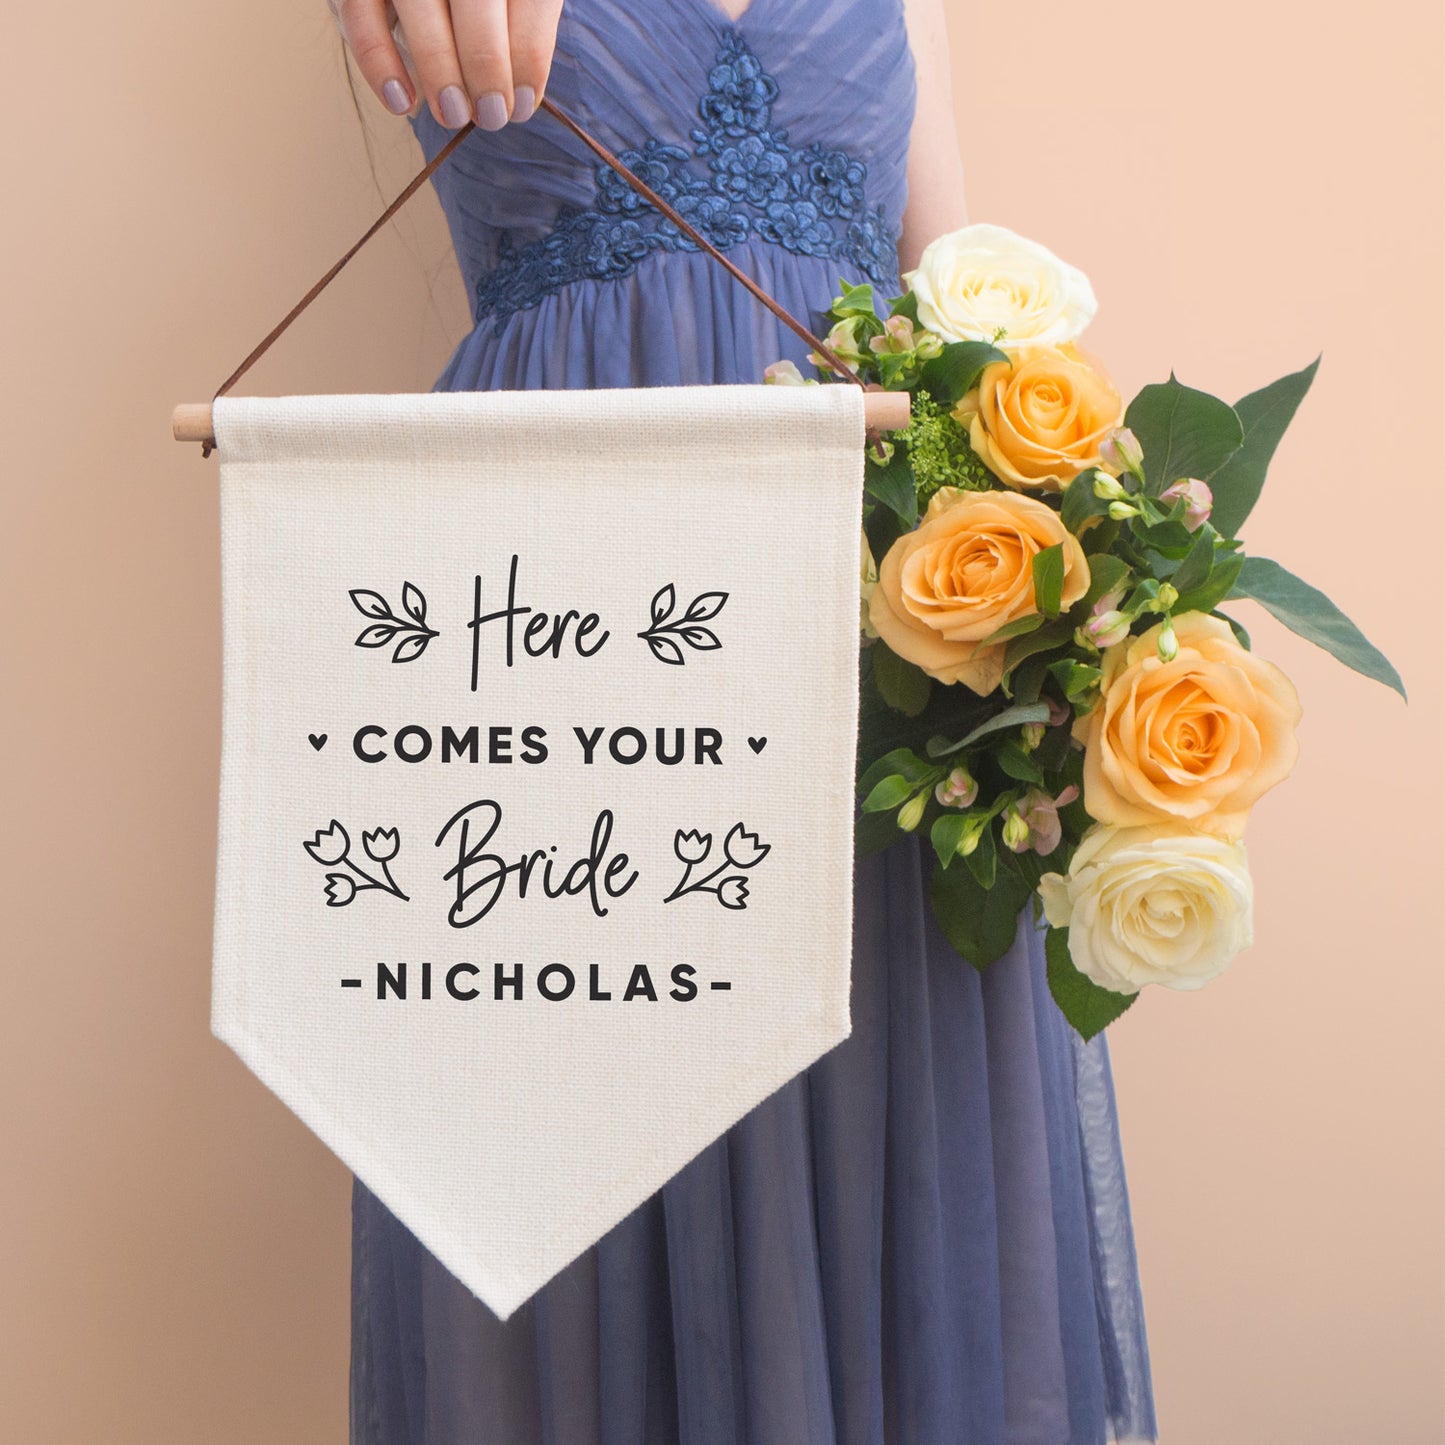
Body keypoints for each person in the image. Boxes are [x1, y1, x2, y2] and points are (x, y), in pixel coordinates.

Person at [331, 1, 1159, 1439]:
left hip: (872, 656)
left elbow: (946, 296)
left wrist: (1082, 613)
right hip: (565, 643)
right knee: (580, 1192)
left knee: (901, 1181)